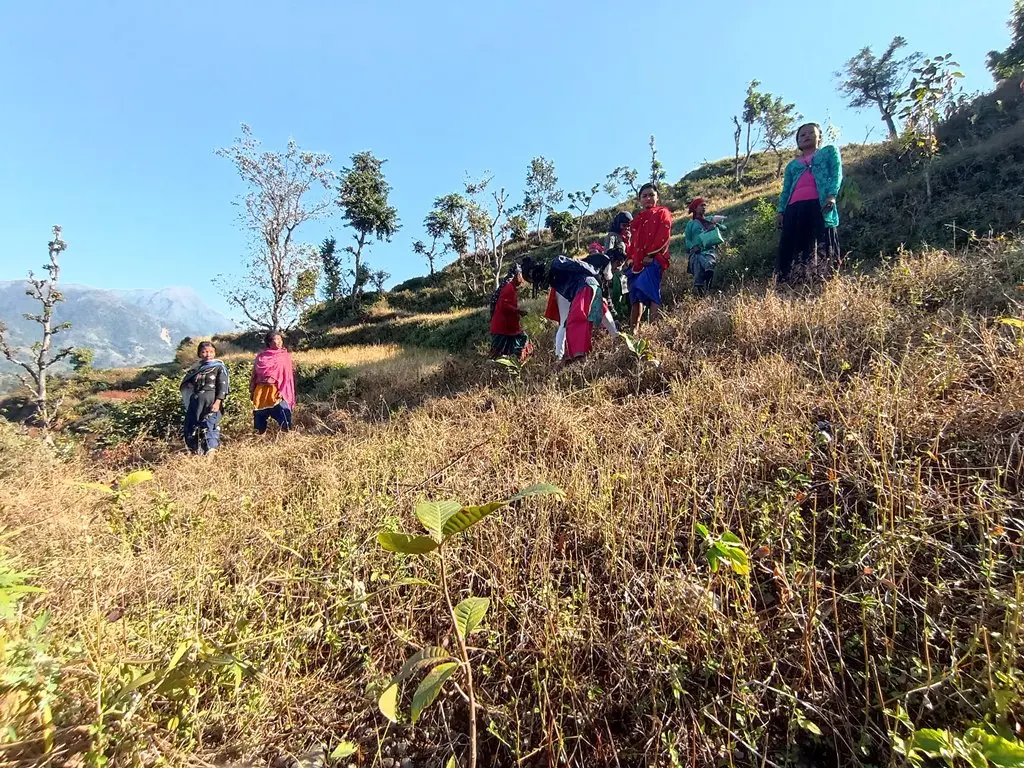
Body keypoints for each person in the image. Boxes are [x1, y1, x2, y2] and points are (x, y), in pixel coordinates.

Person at [775, 122, 843, 284]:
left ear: (819, 136)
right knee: (793, 243)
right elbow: (786, 190)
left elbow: (836, 174)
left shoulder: (829, 152)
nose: (806, 136)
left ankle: (821, 280)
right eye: (802, 135)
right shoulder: (792, 165)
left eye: (810, 133)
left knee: (820, 239)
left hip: (818, 204)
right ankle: (791, 282)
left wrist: (831, 196)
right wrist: (781, 210)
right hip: (794, 209)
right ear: (798, 141)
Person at [627, 183, 673, 332]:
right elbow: (634, 241)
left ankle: (655, 329)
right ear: (640, 199)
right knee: (635, 297)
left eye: (651, 195)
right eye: (644, 196)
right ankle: (633, 330)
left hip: (653, 260)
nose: (648, 198)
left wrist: (651, 255)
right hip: (636, 264)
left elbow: (663, 235)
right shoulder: (638, 219)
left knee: (652, 293)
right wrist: (630, 257)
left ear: (657, 197)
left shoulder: (662, 212)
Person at [546, 255, 601, 361]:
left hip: (566, 291)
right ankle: (566, 355)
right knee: (570, 322)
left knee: (566, 323)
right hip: (579, 289)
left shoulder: (567, 269)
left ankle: (562, 355)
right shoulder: (588, 270)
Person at [180, 341, 229, 455]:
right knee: (191, 428)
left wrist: (218, 402)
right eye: (204, 352)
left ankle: (210, 453)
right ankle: (198, 453)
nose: (208, 354)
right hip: (196, 402)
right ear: (199, 354)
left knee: (210, 426)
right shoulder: (196, 368)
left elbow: (223, 386)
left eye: (211, 352)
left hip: (211, 401)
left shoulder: (219, 367)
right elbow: (188, 383)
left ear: (215, 353)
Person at [250, 331, 295, 434]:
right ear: (269, 342)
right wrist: (252, 389)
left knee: (284, 414)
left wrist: (282, 390)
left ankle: (286, 437)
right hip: (261, 391)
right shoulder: (261, 357)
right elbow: (254, 374)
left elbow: (287, 376)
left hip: (278, 390)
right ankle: (259, 438)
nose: (279, 342)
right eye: (276, 339)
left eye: (280, 339)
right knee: (260, 415)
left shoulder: (285, 356)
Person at [489, 263, 533, 362]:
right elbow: (504, 306)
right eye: (520, 276)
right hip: (503, 328)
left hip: (507, 328)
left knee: (503, 353)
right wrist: (519, 311)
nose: (521, 280)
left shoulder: (510, 287)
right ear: (517, 275)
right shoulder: (508, 287)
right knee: (495, 356)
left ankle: (514, 367)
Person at [684, 198, 726, 296]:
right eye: (701, 205)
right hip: (696, 252)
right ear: (695, 208)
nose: (703, 208)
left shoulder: (710, 219)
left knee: (710, 266)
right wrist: (693, 247)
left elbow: (724, 228)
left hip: (709, 250)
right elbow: (687, 239)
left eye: (704, 205)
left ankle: (710, 290)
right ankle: (702, 296)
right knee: (699, 275)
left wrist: (716, 225)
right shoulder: (691, 224)